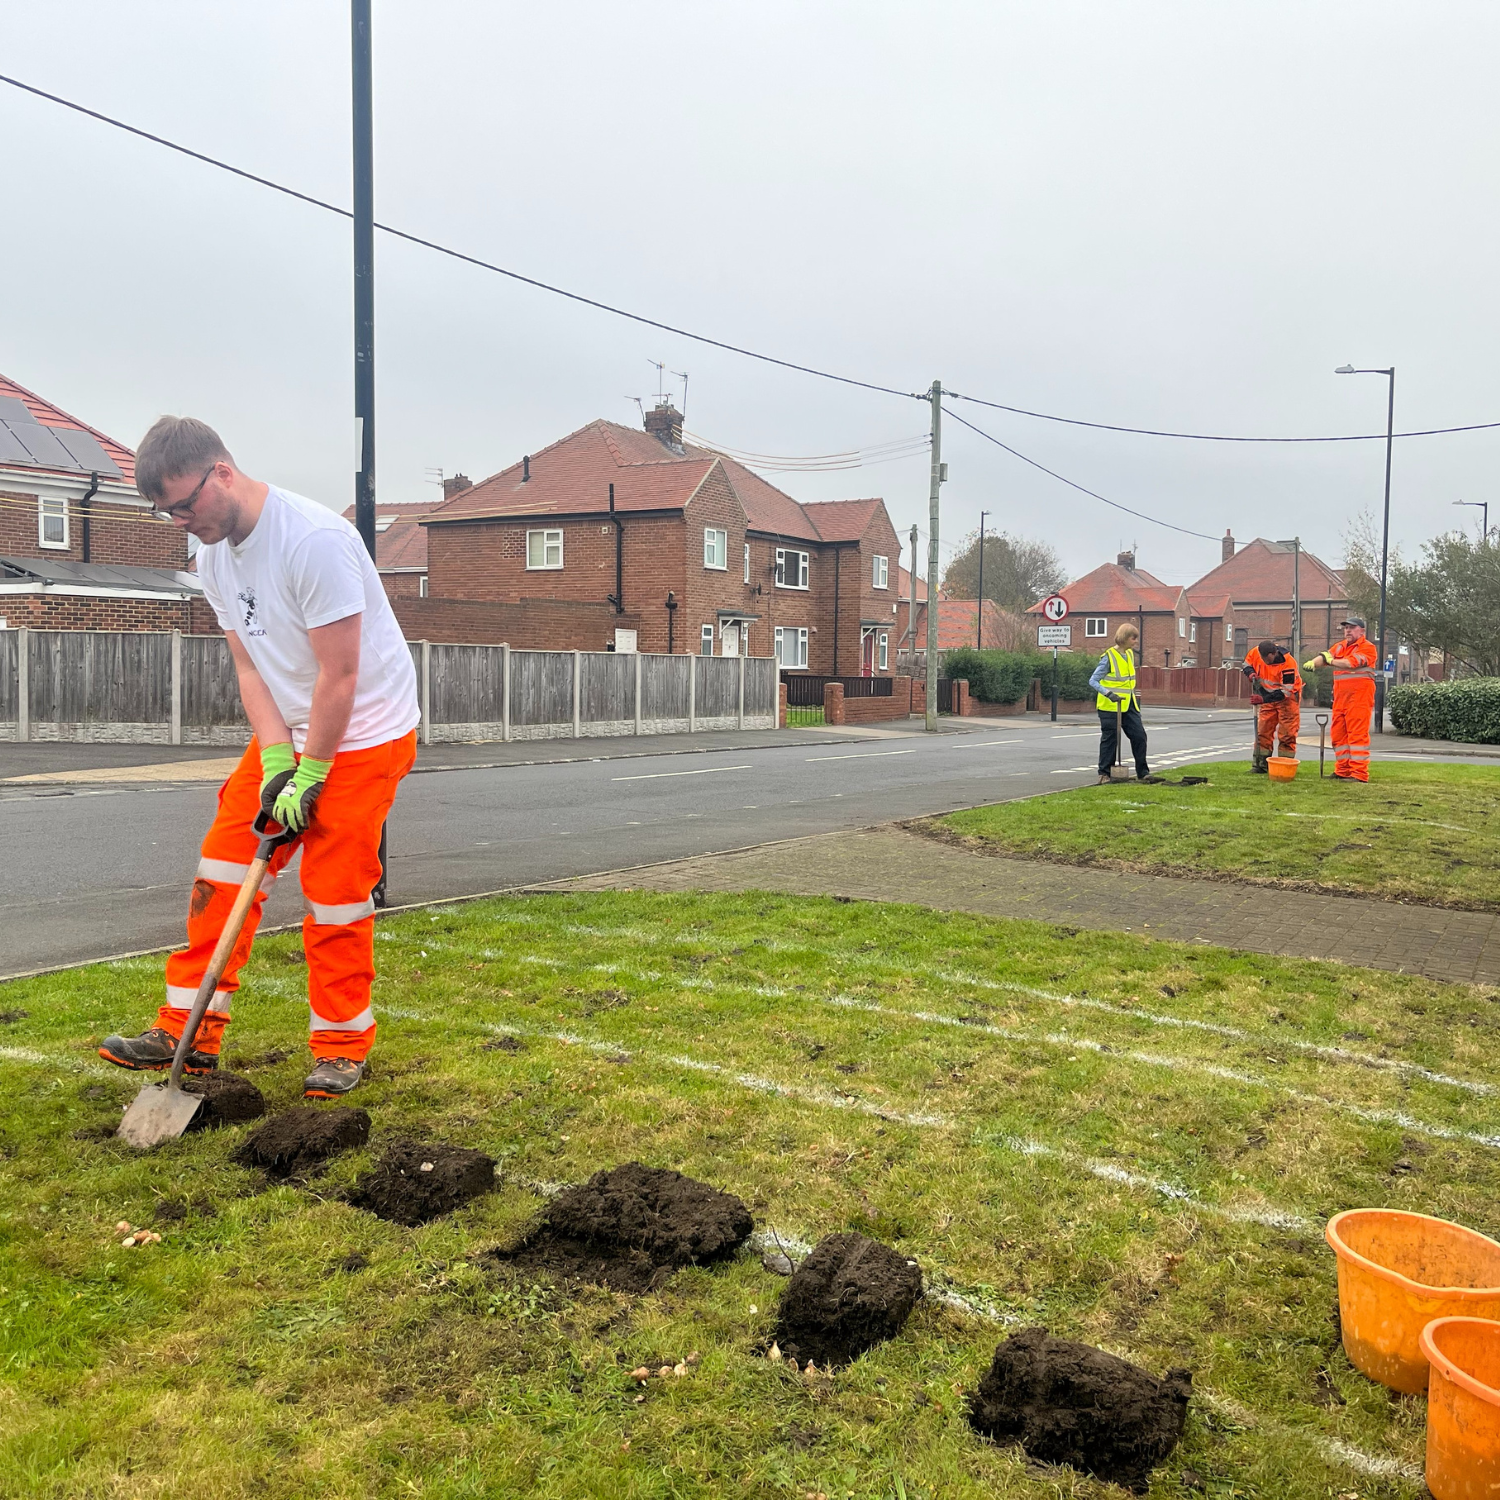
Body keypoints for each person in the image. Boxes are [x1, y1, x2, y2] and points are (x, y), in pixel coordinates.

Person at [99, 417, 420, 1097]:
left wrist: (313, 774)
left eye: (187, 504)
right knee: (221, 868)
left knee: (334, 892)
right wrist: (278, 762)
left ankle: (340, 1048)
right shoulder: (212, 554)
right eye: (168, 512)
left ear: (222, 472)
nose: (183, 521)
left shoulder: (314, 542)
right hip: (290, 731)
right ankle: (186, 1031)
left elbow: (341, 675)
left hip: (364, 733)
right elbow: (251, 670)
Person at [1304, 616, 1377, 782]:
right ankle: (1343, 770)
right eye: (1346, 628)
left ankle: (1359, 774)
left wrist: (1331, 661)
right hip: (1341, 700)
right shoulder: (1340, 646)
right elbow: (1325, 656)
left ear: (1362, 631)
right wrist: (1314, 663)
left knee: (1357, 736)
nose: (1348, 631)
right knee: (1338, 736)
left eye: (1352, 628)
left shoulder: (1368, 648)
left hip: (1359, 699)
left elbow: (1351, 663)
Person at [1091, 623, 1150, 784]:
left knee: (1139, 736)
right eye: (1133, 638)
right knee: (1110, 739)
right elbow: (1093, 680)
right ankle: (1104, 773)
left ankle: (1143, 772)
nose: (1136, 641)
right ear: (1124, 637)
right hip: (1110, 705)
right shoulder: (1109, 656)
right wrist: (1109, 694)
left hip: (1129, 704)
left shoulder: (1130, 655)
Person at [1241, 639, 1303, 773]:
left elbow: (1285, 692)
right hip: (1267, 698)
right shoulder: (1256, 652)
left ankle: (1285, 766)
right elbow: (1246, 664)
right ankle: (1260, 765)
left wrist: (1262, 699)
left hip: (1288, 699)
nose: (1264, 661)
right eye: (1262, 658)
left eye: (1267, 658)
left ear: (1274, 653)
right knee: (1263, 732)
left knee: (1287, 734)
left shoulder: (1288, 664)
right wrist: (1250, 672)